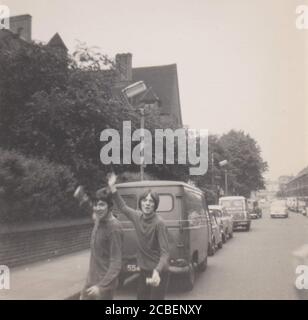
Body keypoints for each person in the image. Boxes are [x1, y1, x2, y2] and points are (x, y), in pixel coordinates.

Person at [107, 173, 170, 300]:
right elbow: (123, 207)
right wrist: (112, 187)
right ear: (141, 203)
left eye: (151, 201)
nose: (147, 204)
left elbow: (165, 253)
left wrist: (157, 271)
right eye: (144, 200)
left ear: (155, 205)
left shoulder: (159, 223)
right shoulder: (137, 216)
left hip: (159, 271)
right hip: (144, 270)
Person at [74, 185, 123, 300]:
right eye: (96, 204)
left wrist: (101, 287)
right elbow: (92, 209)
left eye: (102, 204)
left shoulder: (114, 228)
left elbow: (116, 262)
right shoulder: (99, 219)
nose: (97, 208)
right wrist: (83, 198)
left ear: (110, 206)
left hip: (104, 285)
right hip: (91, 280)